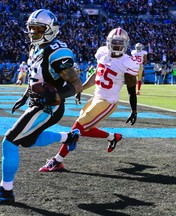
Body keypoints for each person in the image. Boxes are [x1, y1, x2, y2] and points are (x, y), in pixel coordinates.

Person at [0, 9, 82, 205]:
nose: (34, 32)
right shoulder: (36, 48)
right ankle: (69, 136)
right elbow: (36, 79)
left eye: (39, 28)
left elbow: (76, 85)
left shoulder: (56, 52)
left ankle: (5, 191)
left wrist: (55, 97)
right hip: (37, 103)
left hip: (49, 107)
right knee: (27, 141)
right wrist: (25, 95)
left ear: (50, 29)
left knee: (9, 141)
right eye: (31, 28)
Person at [39, 27, 139, 172]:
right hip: (96, 97)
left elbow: (131, 89)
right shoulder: (102, 53)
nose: (117, 46)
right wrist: (80, 88)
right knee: (83, 130)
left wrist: (134, 110)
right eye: (115, 42)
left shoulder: (128, 62)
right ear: (109, 42)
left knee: (77, 128)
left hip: (107, 102)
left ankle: (57, 160)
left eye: (120, 43)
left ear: (126, 44)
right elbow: (97, 76)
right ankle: (113, 137)